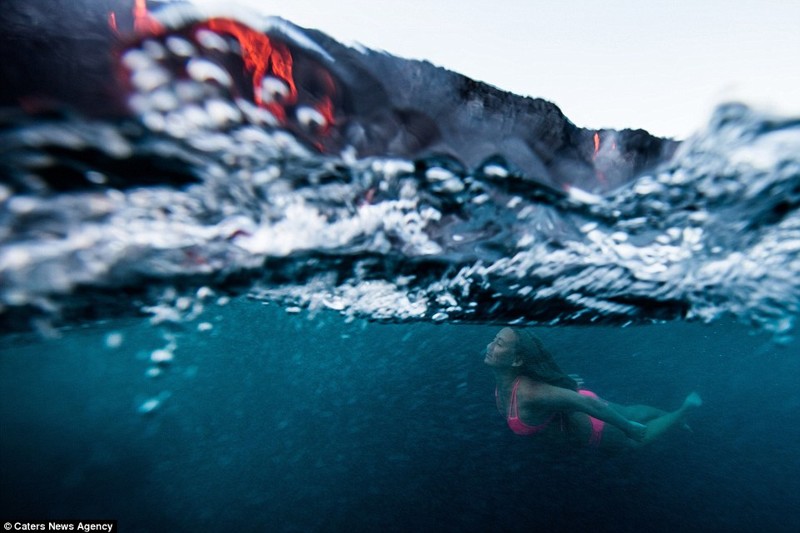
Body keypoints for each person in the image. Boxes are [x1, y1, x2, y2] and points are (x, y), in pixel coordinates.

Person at [485, 328, 702, 451]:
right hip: (584, 409)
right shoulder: (508, 382)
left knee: (635, 440)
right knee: (630, 411)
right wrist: (562, 383)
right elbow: (544, 385)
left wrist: (627, 428)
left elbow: (590, 404)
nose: (490, 346)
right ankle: (673, 418)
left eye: (499, 344)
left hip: (595, 424)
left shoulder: (528, 392)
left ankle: (684, 409)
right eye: (495, 340)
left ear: (517, 360)